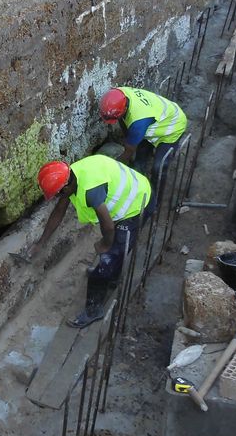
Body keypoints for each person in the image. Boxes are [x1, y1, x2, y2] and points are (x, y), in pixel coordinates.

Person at [28, 154, 151, 327]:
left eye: (58, 194)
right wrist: (41, 243)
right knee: (115, 254)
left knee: (105, 263)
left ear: (66, 185)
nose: (58, 197)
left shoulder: (91, 192)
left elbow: (107, 226)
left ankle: (94, 311)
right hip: (130, 193)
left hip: (137, 204)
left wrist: (105, 245)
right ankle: (112, 279)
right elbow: (58, 211)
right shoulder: (72, 176)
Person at [99, 86, 187, 204]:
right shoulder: (119, 94)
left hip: (172, 125)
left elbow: (129, 151)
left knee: (158, 167)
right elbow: (124, 125)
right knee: (139, 161)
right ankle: (139, 182)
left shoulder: (138, 123)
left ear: (124, 109)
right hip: (155, 119)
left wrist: (114, 166)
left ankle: (154, 200)